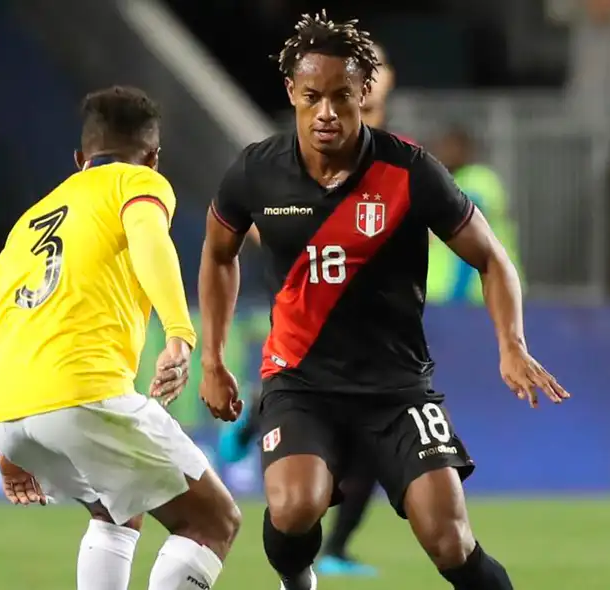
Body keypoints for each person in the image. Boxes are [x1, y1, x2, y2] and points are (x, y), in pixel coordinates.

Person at [198, 12, 570, 590]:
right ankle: (297, 582)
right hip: (301, 381)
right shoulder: (256, 171)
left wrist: (512, 345)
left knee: (449, 540)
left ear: (364, 94)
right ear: (292, 93)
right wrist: (214, 358)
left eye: (342, 97)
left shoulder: (410, 170)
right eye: (313, 96)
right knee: (295, 507)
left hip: (396, 388)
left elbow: (493, 258)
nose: (327, 112)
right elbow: (218, 253)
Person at [0, 86, 241, 590]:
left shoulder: (30, 223)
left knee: (117, 511)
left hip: (14, 416)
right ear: (153, 159)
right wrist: (179, 332)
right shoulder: (137, 183)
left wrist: (1, 444)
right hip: (84, 393)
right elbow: (149, 236)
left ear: (80, 159)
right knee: (212, 522)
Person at [215, 38, 405, 580]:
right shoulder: (291, 165)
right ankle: (257, 418)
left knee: (369, 446)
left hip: (371, 328)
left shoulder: (389, 158)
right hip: (311, 299)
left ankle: (335, 546)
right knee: (302, 369)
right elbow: (245, 229)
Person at [427, 126, 521, 304]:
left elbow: (472, 240)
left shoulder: (478, 182)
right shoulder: (442, 183)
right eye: (442, 147)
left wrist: (458, 294)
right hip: (442, 299)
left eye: (451, 147)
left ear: (465, 150)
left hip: (474, 297)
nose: (443, 152)